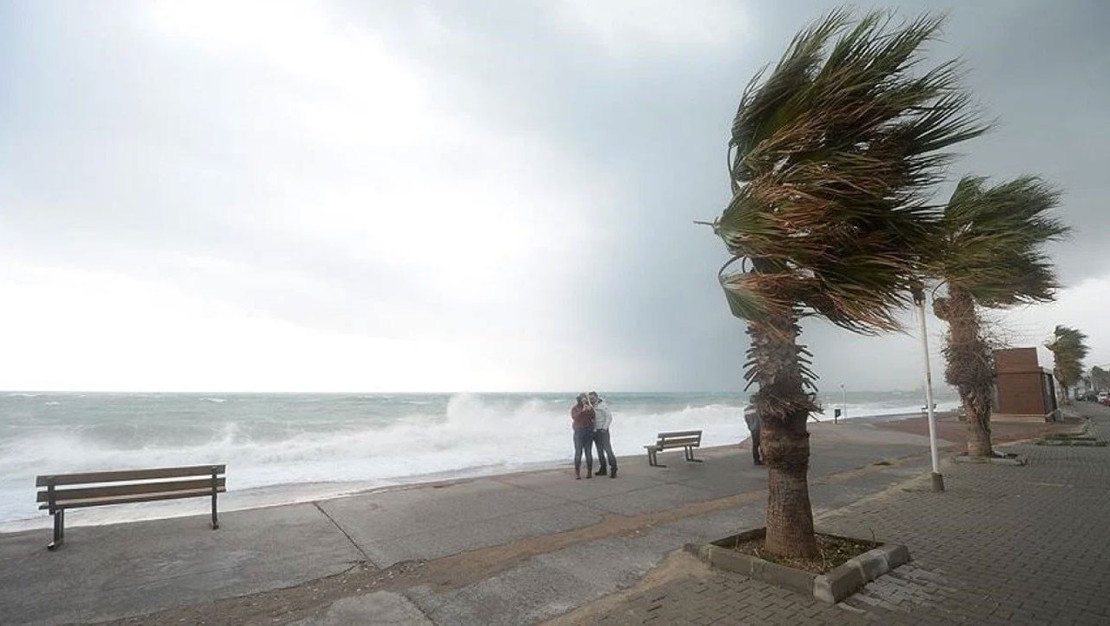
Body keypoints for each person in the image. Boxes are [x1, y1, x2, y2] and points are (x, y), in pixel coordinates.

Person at [589, 391, 617, 478]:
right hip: (595, 431)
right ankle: (603, 469)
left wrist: (605, 428)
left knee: (608, 450)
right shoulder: (591, 406)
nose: (591, 400)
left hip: (603, 431)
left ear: (596, 397)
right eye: (590, 398)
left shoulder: (603, 405)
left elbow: (609, 417)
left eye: (592, 398)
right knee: (599, 451)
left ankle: (614, 469)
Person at [571, 393, 595, 479]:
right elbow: (574, 417)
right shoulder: (575, 408)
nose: (584, 401)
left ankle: (589, 473)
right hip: (579, 431)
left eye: (585, 399)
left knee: (588, 452)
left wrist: (590, 410)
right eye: (583, 399)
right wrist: (582, 411)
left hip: (588, 431)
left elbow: (593, 417)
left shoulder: (589, 407)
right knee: (578, 452)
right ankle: (577, 473)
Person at [744, 398, 762, 465]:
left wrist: (749, 427)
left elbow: (746, 420)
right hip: (759, 427)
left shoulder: (746, 410)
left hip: (752, 428)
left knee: (755, 445)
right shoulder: (757, 409)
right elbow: (760, 419)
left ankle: (756, 459)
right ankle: (760, 459)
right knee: (761, 444)